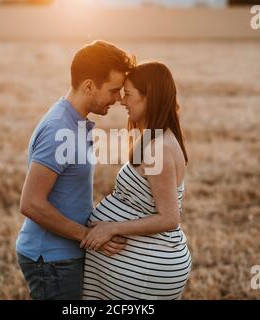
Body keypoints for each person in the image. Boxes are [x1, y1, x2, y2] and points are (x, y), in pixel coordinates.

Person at [15, 40, 136, 300]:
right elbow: (31, 203)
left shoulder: (75, 122)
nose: (118, 99)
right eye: (114, 91)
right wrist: (88, 236)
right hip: (51, 259)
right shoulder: (59, 129)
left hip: (63, 255)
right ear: (89, 86)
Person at [81, 62, 192, 300]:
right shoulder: (154, 138)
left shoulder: (158, 148)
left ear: (149, 97)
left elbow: (169, 218)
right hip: (142, 267)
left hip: (146, 271)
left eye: (129, 94)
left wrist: (112, 228)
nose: (122, 101)